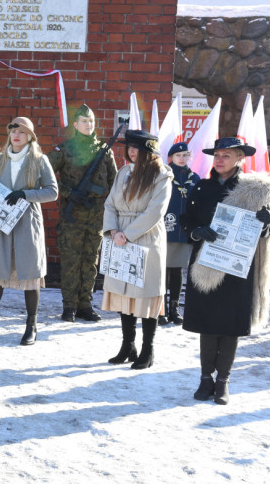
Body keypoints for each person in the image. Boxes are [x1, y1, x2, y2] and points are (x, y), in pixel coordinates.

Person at [181, 137, 270, 405]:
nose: (219, 159)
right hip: (206, 262)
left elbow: (269, 231)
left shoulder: (254, 190)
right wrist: (196, 231)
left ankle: (223, 381)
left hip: (238, 265)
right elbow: (186, 220)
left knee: (230, 324)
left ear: (240, 158)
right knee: (207, 322)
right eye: (217, 154)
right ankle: (205, 379)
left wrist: (268, 222)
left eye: (226, 155)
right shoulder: (201, 187)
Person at [0, 117, 58, 345]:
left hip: (27, 222)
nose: (16, 135)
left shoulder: (39, 160)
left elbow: (52, 192)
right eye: (13, 130)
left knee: (30, 274)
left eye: (22, 132)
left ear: (30, 136)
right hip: (1, 223)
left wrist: (25, 194)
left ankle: (31, 326)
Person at [101, 130, 173, 370]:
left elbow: (155, 211)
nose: (132, 151)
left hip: (145, 238)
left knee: (145, 294)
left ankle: (148, 349)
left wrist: (128, 234)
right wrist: (113, 231)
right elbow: (110, 204)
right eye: (130, 147)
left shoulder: (161, 175)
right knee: (124, 291)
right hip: (120, 235)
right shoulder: (123, 172)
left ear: (149, 151)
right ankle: (128, 346)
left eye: (137, 148)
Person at [48, 103, 118, 322]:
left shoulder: (104, 151)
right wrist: (68, 192)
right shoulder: (65, 149)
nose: (89, 125)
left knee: (90, 263)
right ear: (76, 124)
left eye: (92, 121)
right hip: (72, 218)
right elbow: (44, 176)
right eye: (85, 121)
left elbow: (114, 183)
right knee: (70, 263)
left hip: (96, 219)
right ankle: (69, 306)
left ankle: (85, 305)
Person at [161, 141, 200, 326]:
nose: (182, 158)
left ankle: (173, 309)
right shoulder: (164, 176)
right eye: (179, 155)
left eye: (185, 155)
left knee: (177, 271)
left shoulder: (195, 178)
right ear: (172, 158)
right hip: (165, 229)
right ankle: (159, 309)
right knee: (161, 271)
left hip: (184, 231)